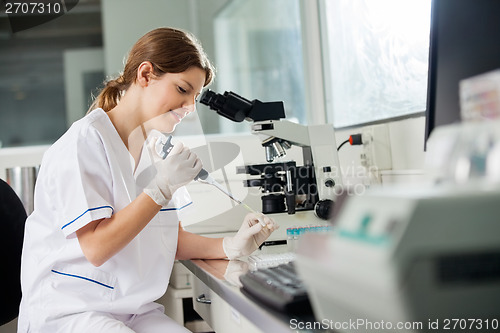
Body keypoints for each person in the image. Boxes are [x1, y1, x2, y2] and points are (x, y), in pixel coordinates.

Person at [18, 27, 278, 333]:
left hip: (133, 310)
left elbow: (169, 239)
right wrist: (160, 188)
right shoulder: (85, 142)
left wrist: (230, 246)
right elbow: (96, 248)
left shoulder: (157, 148)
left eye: (195, 97)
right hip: (72, 309)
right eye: (182, 90)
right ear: (145, 75)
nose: (190, 107)